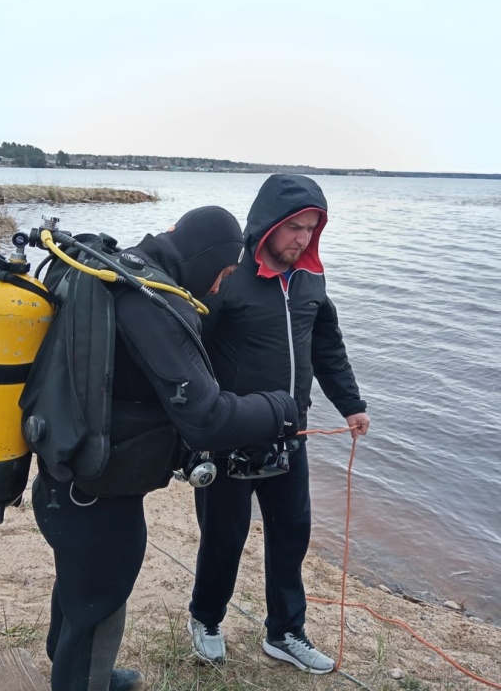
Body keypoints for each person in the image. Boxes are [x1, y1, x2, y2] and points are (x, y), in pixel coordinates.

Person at [27, 206, 300, 691]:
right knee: (100, 594)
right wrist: (279, 407)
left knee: (79, 585)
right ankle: (81, 681)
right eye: (223, 273)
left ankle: (81, 671)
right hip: (96, 491)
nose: (218, 288)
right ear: (206, 257)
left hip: (64, 470)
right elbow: (206, 418)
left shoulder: (116, 267)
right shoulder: (148, 300)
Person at [187, 175, 370, 674]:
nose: (303, 239)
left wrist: (350, 404)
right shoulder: (228, 278)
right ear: (268, 225)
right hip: (231, 436)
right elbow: (190, 351)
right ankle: (205, 618)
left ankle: (285, 632)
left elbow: (327, 348)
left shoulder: (311, 282)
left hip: (293, 436)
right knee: (224, 535)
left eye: (312, 229)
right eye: (295, 228)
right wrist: (193, 427)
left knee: (291, 533)